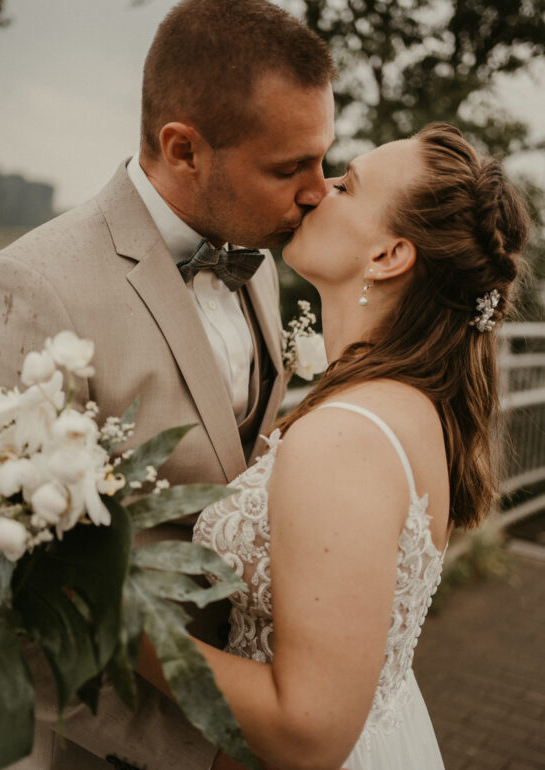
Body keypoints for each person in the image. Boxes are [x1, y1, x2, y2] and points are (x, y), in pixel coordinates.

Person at [0, 1, 335, 768]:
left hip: (251, 700)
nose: (319, 191)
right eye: (290, 168)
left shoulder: (258, 258)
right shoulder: (31, 286)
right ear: (184, 149)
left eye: (322, 159)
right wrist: (195, 751)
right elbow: (22, 594)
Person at [175, 123, 528, 769]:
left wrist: (119, 623)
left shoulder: (348, 435)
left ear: (389, 255)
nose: (317, 188)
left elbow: (307, 733)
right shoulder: (409, 403)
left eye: (347, 184)